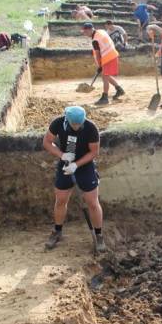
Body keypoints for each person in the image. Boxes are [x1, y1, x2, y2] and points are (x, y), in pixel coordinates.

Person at [43, 106, 106, 253]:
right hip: (65, 165)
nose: (77, 127)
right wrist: (62, 155)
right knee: (61, 200)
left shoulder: (91, 128)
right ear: (67, 119)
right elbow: (47, 142)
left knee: (92, 202)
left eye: (80, 124)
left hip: (84, 166)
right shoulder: (58, 123)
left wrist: (76, 165)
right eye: (74, 124)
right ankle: (57, 231)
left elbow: (94, 152)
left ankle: (99, 235)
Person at [82, 22, 124, 105]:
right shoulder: (101, 31)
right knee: (106, 75)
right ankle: (119, 89)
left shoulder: (95, 40)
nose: (84, 34)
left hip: (108, 57)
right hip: (112, 54)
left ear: (90, 30)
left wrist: (99, 65)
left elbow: (97, 54)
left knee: (104, 77)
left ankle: (105, 98)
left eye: (85, 32)